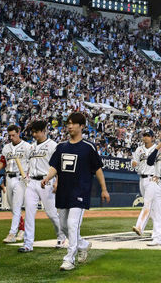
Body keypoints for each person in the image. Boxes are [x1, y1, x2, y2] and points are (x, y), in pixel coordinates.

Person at [40, 112, 110, 271]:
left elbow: (98, 169)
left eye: (73, 123)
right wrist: (47, 178)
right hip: (63, 191)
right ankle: (83, 244)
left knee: (72, 224)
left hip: (80, 191)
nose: (70, 126)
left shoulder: (88, 147)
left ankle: (69, 259)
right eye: (68, 123)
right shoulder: (61, 147)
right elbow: (54, 166)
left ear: (82, 126)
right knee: (63, 226)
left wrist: (104, 189)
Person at [20, 120, 66, 253]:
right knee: (29, 213)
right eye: (32, 132)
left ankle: (61, 236)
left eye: (36, 132)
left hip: (47, 182)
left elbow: (58, 166)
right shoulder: (32, 147)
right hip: (32, 182)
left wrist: (57, 181)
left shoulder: (53, 145)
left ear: (43, 131)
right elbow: (29, 164)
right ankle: (28, 243)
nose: (34, 134)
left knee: (51, 213)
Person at [1, 124, 32, 244]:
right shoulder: (6, 148)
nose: (11, 137)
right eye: (9, 135)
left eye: (13, 135)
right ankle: (22, 229)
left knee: (17, 205)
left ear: (19, 133)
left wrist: (28, 176)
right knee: (12, 206)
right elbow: (2, 163)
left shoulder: (27, 146)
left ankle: (12, 233)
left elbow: (32, 162)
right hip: (9, 177)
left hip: (20, 178)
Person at [131, 130, 157, 236]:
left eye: (148, 136)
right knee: (151, 207)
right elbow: (134, 161)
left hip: (152, 179)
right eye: (144, 135)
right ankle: (158, 228)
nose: (145, 137)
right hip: (141, 178)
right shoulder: (139, 149)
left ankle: (139, 227)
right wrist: (133, 163)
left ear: (152, 138)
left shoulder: (157, 149)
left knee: (147, 204)